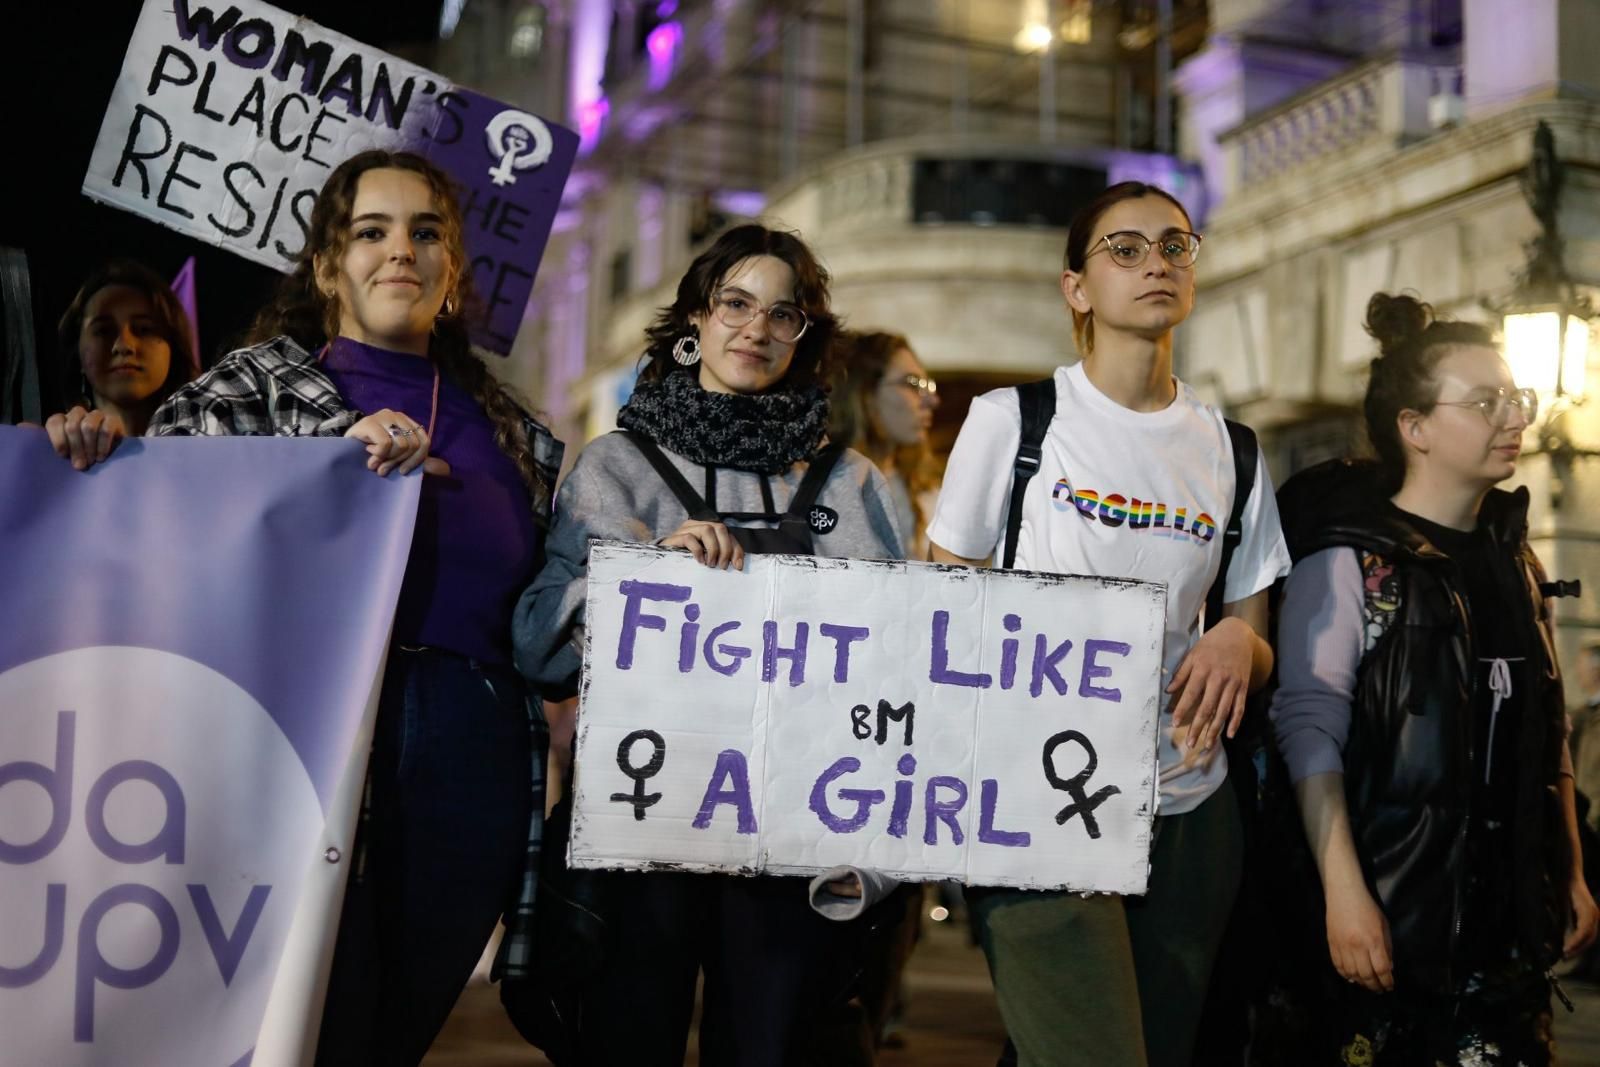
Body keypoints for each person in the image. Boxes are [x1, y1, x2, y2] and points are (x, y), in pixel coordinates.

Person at [126, 150, 559, 1065]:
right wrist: (325, 455)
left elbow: (553, 615)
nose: (400, 250)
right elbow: (158, 509)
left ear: (451, 273)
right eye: (371, 231)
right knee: (287, 1024)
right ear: (329, 266)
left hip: (470, 764)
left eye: (425, 232)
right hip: (304, 743)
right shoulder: (257, 388)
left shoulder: (519, 435)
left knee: (387, 1033)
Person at [512, 223, 904, 1066]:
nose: (755, 329)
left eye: (783, 314)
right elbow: (539, 644)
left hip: (788, 834)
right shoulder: (616, 467)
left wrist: (870, 860)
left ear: (806, 339)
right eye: (735, 303)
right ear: (696, 318)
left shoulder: (852, 483)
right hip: (644, 826)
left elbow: (893, 675)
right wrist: (645, 573)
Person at [924, 180, 1290, 1067]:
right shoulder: (1015, 422)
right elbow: (942, 605)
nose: (1155, 263)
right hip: (1035, 798)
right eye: (1124, 249)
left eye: (1173, 245)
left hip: (1189, 808)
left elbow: (1253, 629)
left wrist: (1241, 639)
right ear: (1076, 288)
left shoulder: (1232, 448)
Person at [1270, 292, 1599, 1063]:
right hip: (1390, 915)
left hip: (1505, 932)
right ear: (1414, 428)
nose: (1514, 416)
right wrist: (1344, 893)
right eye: (1486, 401)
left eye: (1515, 398)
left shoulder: (1519, 562)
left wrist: (1570, 869)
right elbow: (1309, 726)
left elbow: (1548, 730)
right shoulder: (1351, 560)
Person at [43, 258, 197, 462]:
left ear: (174, 348)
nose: (124, 346)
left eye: (144, 329)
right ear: (77, 352)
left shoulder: (213, 447)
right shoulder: (49, 450)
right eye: (103, 330)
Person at [827, 329, 941, 558]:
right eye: (912, 383)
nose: (932, 400)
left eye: (927, 385)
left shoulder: (925, 490)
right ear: (864, 393)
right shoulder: (822, 485)